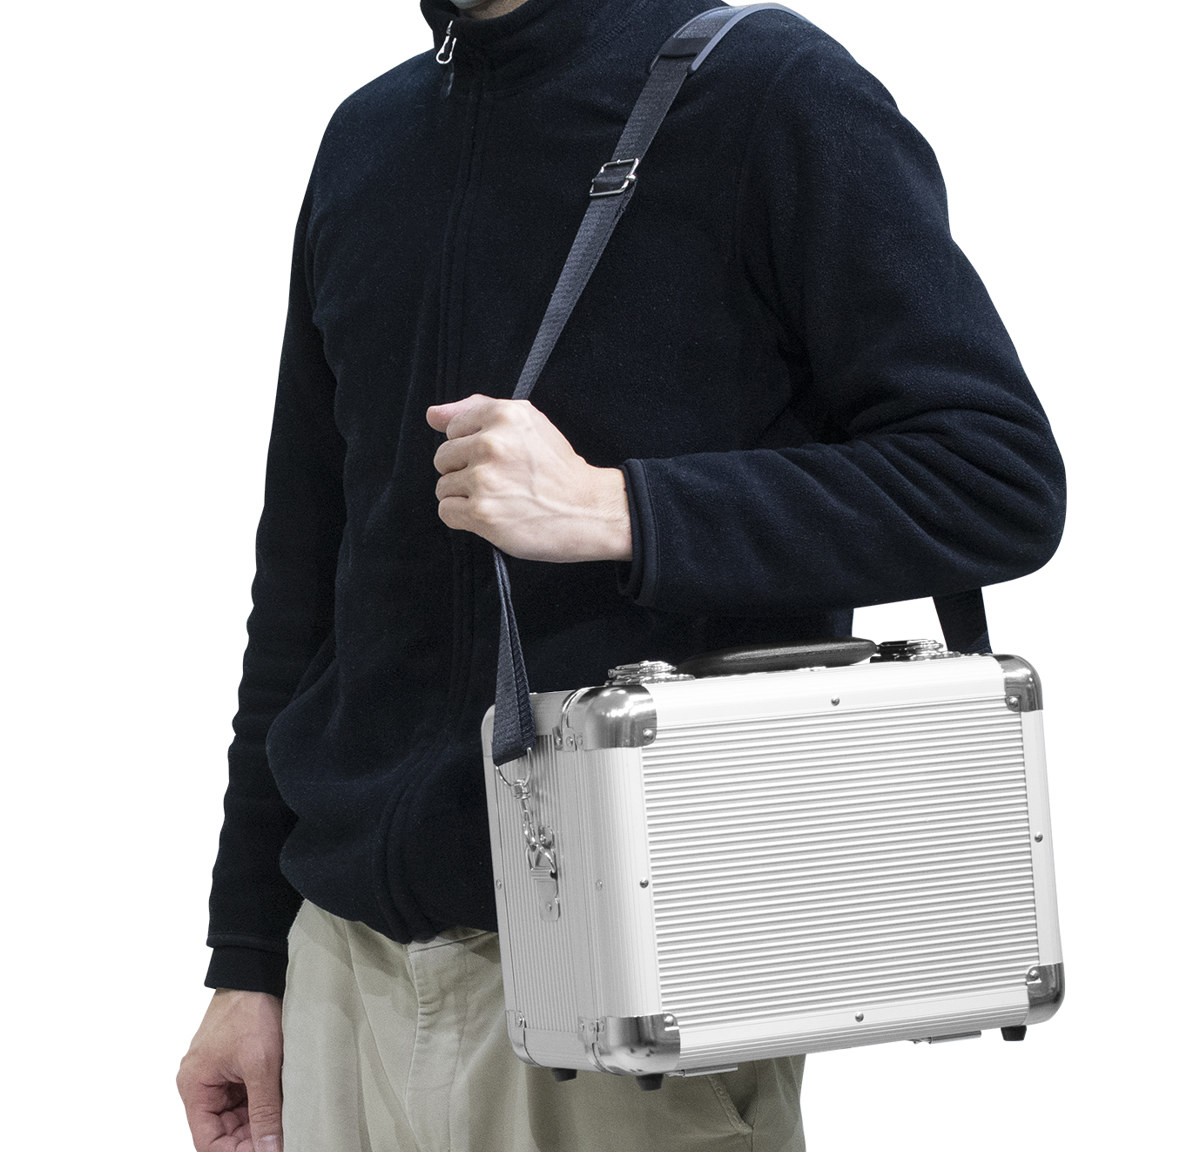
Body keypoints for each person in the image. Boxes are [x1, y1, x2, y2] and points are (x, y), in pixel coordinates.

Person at [177, 0, 1067, 1149]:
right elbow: (302, 588)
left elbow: (993, 477)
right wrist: (247, 957)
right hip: (340, 981)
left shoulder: (771, 92)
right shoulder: (369, 137)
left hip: (628, 987)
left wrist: (621, 509)